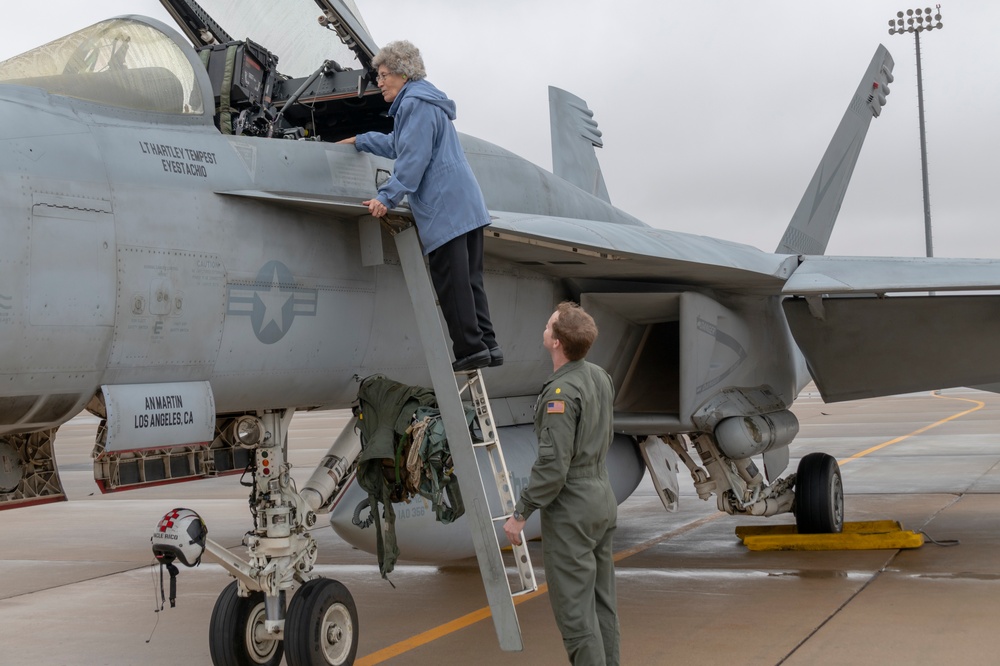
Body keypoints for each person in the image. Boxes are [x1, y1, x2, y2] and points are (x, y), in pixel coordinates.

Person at [339, 40, 500, 372]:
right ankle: (488, 344)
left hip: (445, 206)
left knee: (451, 279)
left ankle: (470, 349)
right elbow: (400, 143)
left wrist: (387, 197)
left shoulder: (414, 104)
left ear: (402, 73)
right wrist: (361, 139)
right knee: (470, 279)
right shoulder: (426, 101)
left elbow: (413, 160)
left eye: (383, 75)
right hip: (464, 202)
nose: (379, 82)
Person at [503, 302, 619, 665]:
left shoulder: (560, 394)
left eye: (550, 325)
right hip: (602, 496)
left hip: (572, 509)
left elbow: (554, 467)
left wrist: (520, 513)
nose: (545, 327)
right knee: (603, 607)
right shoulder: (600, 376)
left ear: (557, 342)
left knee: (575, 616)